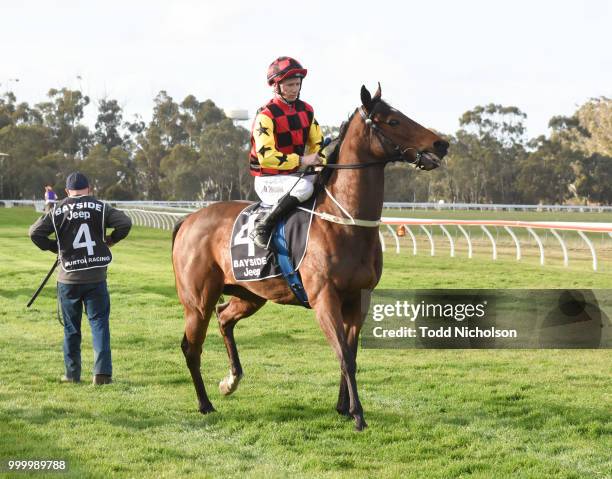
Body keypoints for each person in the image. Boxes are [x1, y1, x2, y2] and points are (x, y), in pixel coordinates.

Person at [29, 172, 132, 385]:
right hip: (96, 277)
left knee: (71, 328)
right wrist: (111, 239)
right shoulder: (101, 207)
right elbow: (125, 223)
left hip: (68, 279)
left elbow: (34, 233)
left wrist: (54, 247)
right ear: (90, 189)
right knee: (99, 324)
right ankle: (102, 374)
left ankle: (72, 375)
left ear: (67, 192)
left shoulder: (57, 209)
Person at [249, 56, 326, 249]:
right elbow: (266, 157)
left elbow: (318, 143)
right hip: (269, 179)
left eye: (297, 84)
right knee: (305, 189)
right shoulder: (266, 115)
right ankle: (263, 226)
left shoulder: (307, 110)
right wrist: (302, 160)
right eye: (289, 85)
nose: (294, 89)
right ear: (276, 86)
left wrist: (319, 161)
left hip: (295, 175)